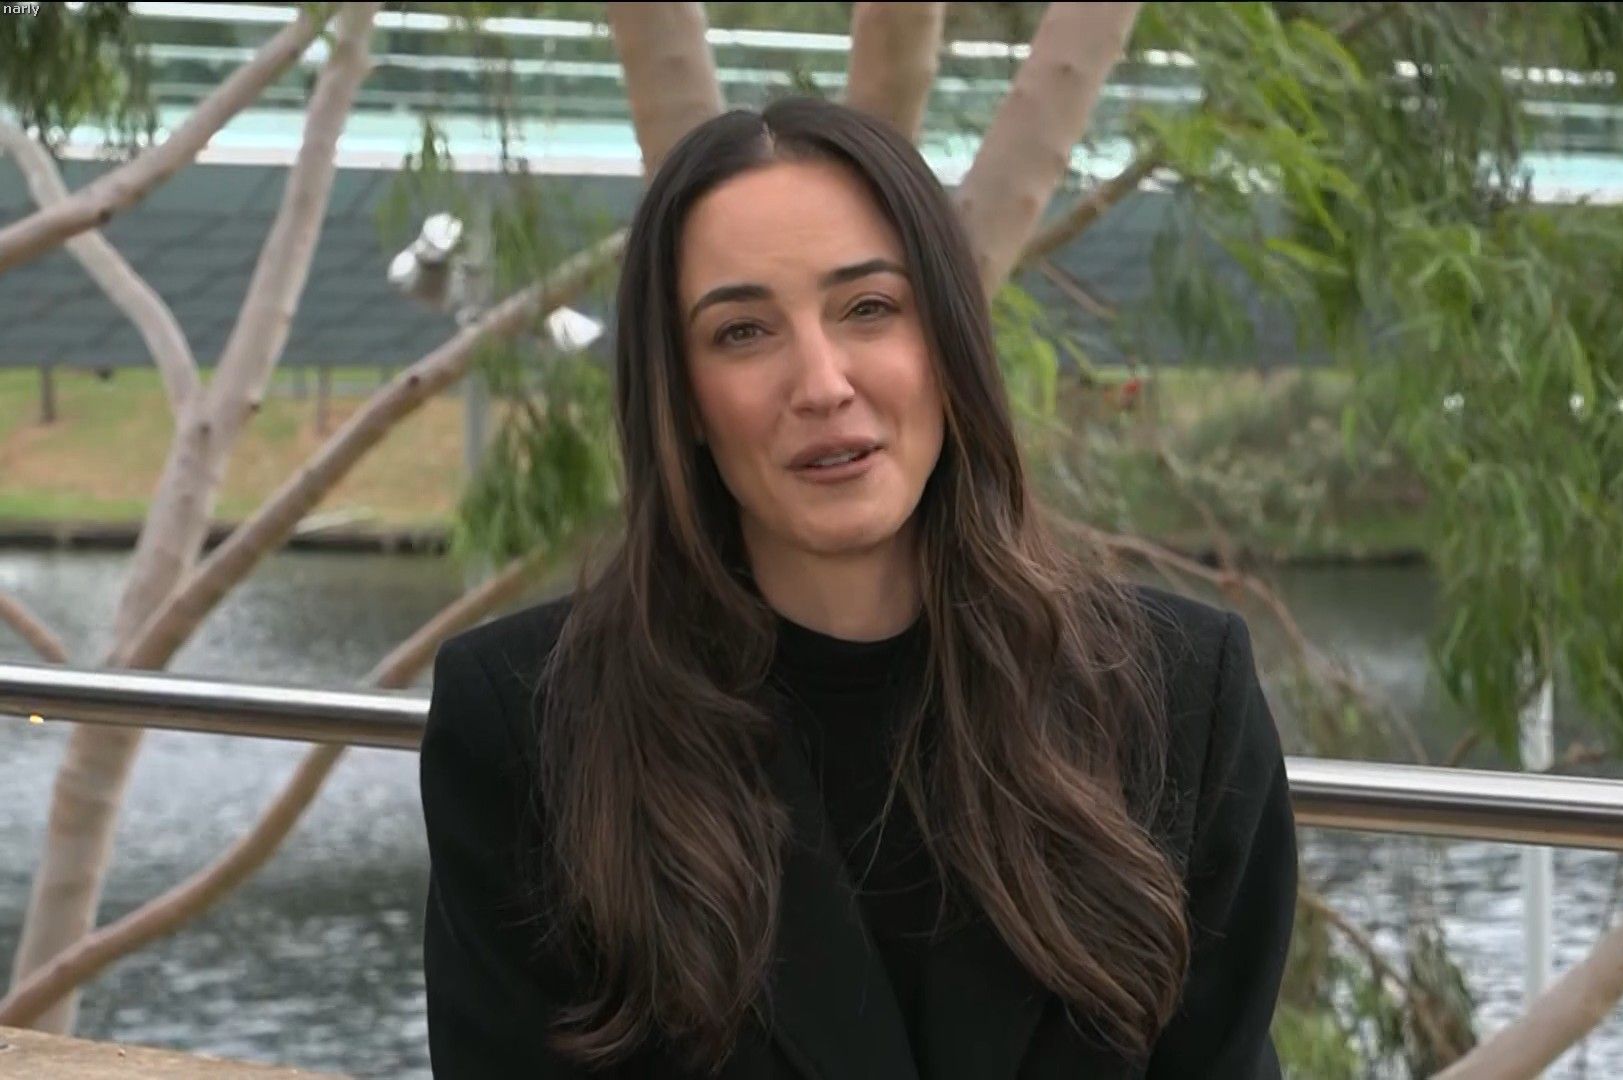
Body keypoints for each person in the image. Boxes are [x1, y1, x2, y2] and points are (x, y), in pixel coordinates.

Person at [418, 95, 1298, 1080]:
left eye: (870, 308)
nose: (822, 384)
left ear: (949, 343)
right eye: (742, 332)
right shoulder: (528, 729)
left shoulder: (1181, 696)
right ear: (683, 398)